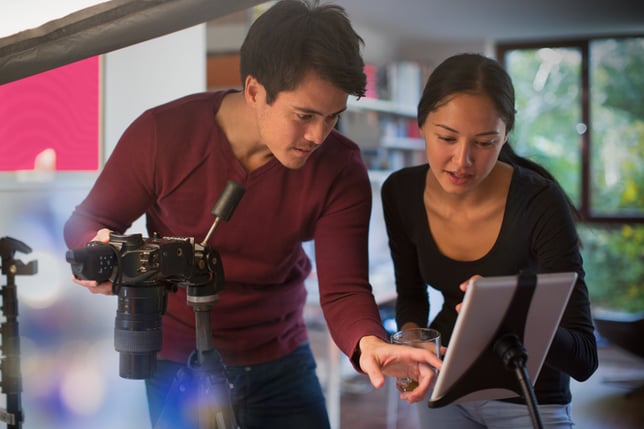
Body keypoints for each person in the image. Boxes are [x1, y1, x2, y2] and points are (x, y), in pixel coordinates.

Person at [63, 1, 442, 428]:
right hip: (177, 359)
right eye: (305, 115)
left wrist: (369, 342)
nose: (319, 135)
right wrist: (102, 255)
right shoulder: (162, 136)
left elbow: (344, 290)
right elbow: (87, 221)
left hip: (279, 357)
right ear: (254, 91)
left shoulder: (341, 167)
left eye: (334, 116)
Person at [381, 53, 598, 428]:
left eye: (484, 142)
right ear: (421, 125)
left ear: (506, 135)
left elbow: (584, 357)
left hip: (528, 392)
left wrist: (511, 310)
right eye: (447, 137)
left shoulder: (539, 202)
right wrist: (413, 338)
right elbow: (412, 294)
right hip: (445, 388)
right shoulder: (400, 192)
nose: (462, 160)